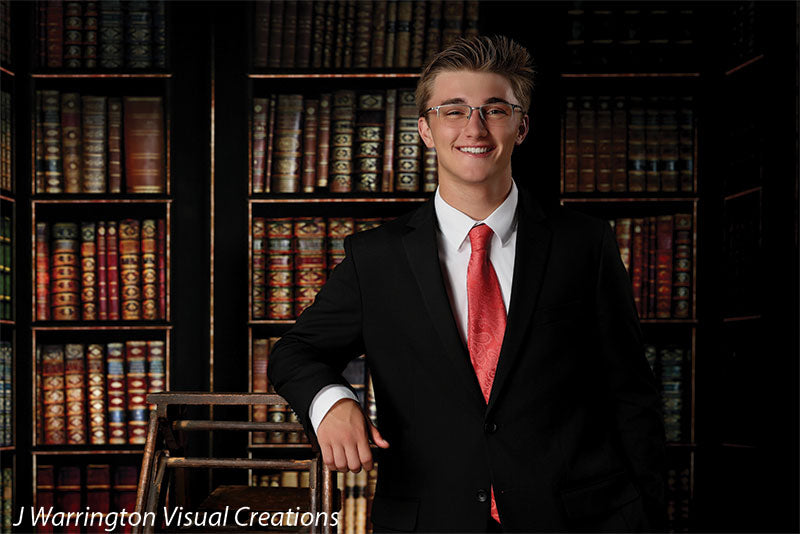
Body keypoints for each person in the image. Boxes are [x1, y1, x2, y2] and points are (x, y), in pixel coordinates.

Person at [268, 35, 666, 533]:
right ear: (425, 130)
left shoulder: (584, 245)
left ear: (521, 127)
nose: (474, 127)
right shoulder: (376, 258)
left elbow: (631, 393)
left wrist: (651, 518)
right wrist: (332, 401)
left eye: (494, 110)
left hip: (579, 519)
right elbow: (294, 351)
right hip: (430, 519)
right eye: (453, 111)